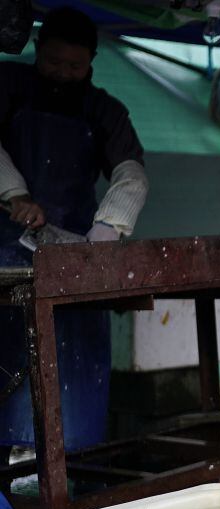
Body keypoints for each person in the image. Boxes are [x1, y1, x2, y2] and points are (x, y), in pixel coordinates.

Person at [0, 8, 148, 463]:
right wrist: (15, 194)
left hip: (72, 264)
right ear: (37, 49)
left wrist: (103, 235)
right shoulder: (7, 85)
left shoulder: (104, 110)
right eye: (53, 62)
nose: (63, 73)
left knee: (70, 388)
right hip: (7, 254)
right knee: (8, 364)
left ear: (92, 64)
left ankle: (71, 476)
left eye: (74, 66)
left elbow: (132, 173)